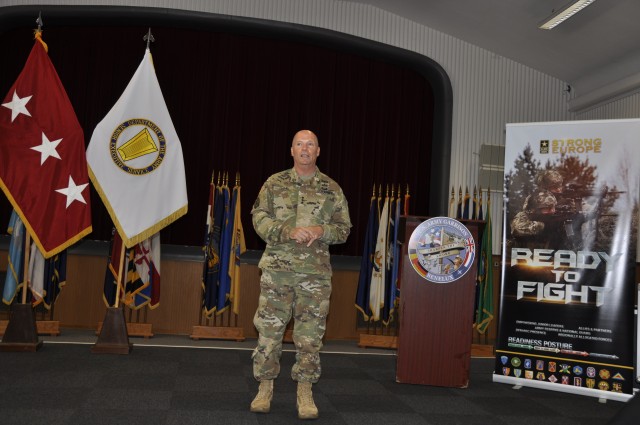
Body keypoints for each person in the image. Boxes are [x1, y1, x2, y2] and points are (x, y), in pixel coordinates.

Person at [249, 129, 352, 419]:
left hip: (314, 277)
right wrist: (285, 231)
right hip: (277, 273)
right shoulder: (274, 183)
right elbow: (258, 216)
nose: (305, 149)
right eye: (299, 144)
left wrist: (321, 231)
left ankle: (305, 392)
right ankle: (265, 387)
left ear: (318, 151)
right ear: (291, 150)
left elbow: (344, 229)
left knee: (309, 337)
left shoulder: (331, 188)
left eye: (310, 144)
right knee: (269, 333)